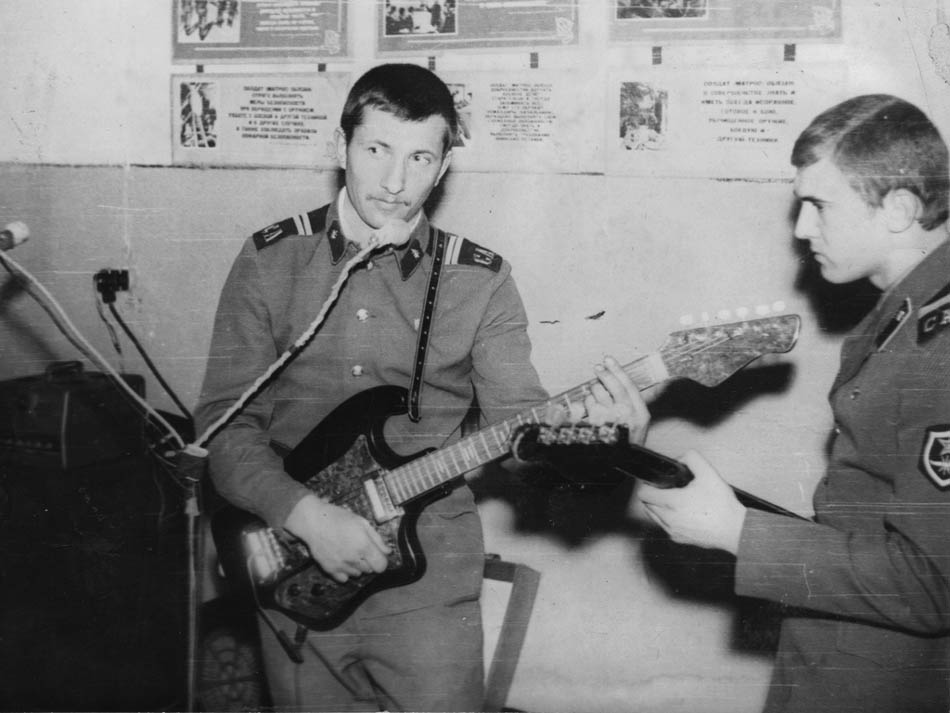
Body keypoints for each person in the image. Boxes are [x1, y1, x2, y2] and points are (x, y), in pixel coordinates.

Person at [195, 63, 646, 712]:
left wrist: (600, 446)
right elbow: (224, 427)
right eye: (376, 150)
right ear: (340, 146)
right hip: (293, 550)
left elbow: (522, 433)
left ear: (444, 167)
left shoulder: (481, 280)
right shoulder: (271, 260)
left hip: (428, 574)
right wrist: (306, 516)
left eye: (419, 158)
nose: (394, 182)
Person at [635, 94, 950, 712]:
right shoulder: (908, 313)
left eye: (820, 206)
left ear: (899, 209)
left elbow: (933, 582)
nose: (803, 229)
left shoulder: (938, 347)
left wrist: (738, 533)